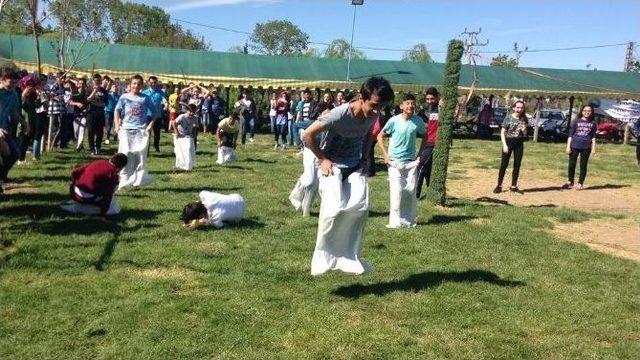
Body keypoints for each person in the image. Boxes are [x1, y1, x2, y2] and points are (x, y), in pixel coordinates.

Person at [302, 76, 394, 276]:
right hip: (332, 166)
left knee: (359, 209)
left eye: (382, 107)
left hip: (354, 165)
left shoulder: (374, 115)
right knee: (333, 210)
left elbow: (369, 135)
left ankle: (349, 258)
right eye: (374, 106)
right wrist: (323, 159)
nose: (377, 112)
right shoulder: (339, 114)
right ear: (362, 98)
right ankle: (323, 259)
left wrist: (365, 158)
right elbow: (307, 135)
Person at [377, 93, 426, 228]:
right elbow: (380, 136)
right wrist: (385, 155)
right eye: (408, 103)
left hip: (410, 161)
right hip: (394, 162)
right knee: (396, 191)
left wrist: (420, 154)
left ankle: (408, 221)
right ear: (401, 106)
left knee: (409, 191)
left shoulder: (418, 121)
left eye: (412, 103)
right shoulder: (394, 120)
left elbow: (425, 136)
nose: (411, 105)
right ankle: (395, 222)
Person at [289, 101, 333, 216]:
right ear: (321, 112)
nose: (328, 113)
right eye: (326, 111)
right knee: (309, 180)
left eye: (330, 110)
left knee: (315, 184)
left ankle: (306, 210)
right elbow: (295, 125)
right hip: (310, 152)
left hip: (322, 154)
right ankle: (294, 195)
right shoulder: (313, 122)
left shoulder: (332, 123)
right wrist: (298, 143)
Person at [114, 74, 158, 190]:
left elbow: (154, 112)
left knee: (139, 156)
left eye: (139, 84)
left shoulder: (145, 98)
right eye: (134, 83)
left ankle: (137, 180)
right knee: (126, 153)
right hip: (127, 129)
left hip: (140, 130)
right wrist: (117, 124)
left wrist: (150, 125)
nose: (136, 86)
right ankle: (124, 180)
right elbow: (117, 110)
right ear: (130, 84)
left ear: (142, 85)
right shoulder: (124, 97)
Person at [60, 153, 128, 216]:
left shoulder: (98, 162)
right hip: (89, 198)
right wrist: (103, 214)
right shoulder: (113, 174)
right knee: (113, 204)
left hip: (75, 193)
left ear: (111, 159)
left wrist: (75, 182)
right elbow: (108, 196)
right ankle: (91, 209)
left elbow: (75, 172)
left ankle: (79, 205)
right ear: (121, 168)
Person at [0, 67, 28, 192]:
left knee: (15, 153)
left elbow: (13, 111)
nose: (13, 85)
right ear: (2, 79)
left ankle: (2, 177)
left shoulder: (13, 93)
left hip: (5, 129)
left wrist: (24, 122)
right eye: (11, 82)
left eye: (15, 82)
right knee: (4, 152)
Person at [494, 100, 528, 194]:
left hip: (519, 143)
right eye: (517, 107)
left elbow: (525, 134)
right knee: (503, 165)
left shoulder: (524, 119)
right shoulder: (508, 118)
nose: (519, 109)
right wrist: (504, 145)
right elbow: (502, 132)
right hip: (508, 142)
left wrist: (524, 130)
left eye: (521, 108)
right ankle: (499, 185)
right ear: (514, 108)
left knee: (517, 165)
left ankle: (514, 186)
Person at [562, 105, 597, 190]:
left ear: (591, 112)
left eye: (589, 110)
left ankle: (580, 183)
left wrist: (593, 148)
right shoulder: (576, 121)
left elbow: (593, 137)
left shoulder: (593, 123)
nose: (587, 112)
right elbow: (570, 135)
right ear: (582, 111)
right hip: (574, 145)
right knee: (571, 164)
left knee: (583, 165)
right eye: (585, 110)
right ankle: (570, 181)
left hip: (586, 146)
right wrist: (568, 147)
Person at [416, 87, 441, 198]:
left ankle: (415, 194)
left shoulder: (440, 109)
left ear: (437, 97)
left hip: (433, 143)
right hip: (426, 141)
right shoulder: (428, 110)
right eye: (427, 99)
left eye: (432, 98)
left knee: (420, 166)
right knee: (428, 168)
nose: (429, 101)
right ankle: (432, 192)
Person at [181, 191, 245, 228]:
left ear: (200, 216)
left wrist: (204, 222)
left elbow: (224, 226)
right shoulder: (207, 196)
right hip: (237, 198)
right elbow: (202, 193)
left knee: (226, 220)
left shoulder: (214, 220)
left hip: (239, 215)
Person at [142, 76, 167, 152]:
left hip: (157, 115)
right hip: (147, 115)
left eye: (154, 82)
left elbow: (164, 100)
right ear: (149, 83)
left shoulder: (160, 92)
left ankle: (156, 146)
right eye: (151, 82)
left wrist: (166, 105)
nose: (153, 84)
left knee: (157, 132)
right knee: (147, 132)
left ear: (157, 83)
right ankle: (147, 148)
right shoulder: (144, 92)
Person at [170, 103, 198, 171]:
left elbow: (196, 126)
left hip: (189, 137)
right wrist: (176, 133)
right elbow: (173, 123)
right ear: (187, 110)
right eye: (190, 111)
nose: (191, 113)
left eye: (193, 112)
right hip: (180, 136)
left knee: (188, 149)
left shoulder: (194, 118)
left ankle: (189, 165)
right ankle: (180, 165)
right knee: (179, 151)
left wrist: (194, 133)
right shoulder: (182, 117)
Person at [86, 73, 108, 155]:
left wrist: (95, 103)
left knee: (100, 132)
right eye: (95, 80)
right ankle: (91, 149)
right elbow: (88, 99)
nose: (97, 82)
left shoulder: (104, 91)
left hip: (100, 113)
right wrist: (94, 91)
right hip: (91, 113)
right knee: (90, 131)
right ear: (92, 81)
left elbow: (105, 103)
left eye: (99, 80)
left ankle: (98, 147)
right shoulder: (88, 89)